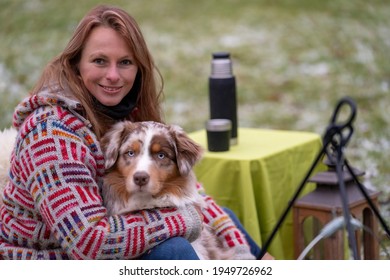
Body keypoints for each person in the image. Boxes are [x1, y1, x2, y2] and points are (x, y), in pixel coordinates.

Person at [0, 5, 272, 260]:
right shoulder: (51, 133)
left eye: (126, 62)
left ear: (139, 68)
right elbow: (89, 242)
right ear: (75, 66)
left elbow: (194, 194)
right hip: (53, 259)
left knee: (224, 217)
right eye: (99, 61)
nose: (114, 75)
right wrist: (186, 219)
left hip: (109, 238)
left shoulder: (122, 112)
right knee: (173, 249)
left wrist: (241, 254)